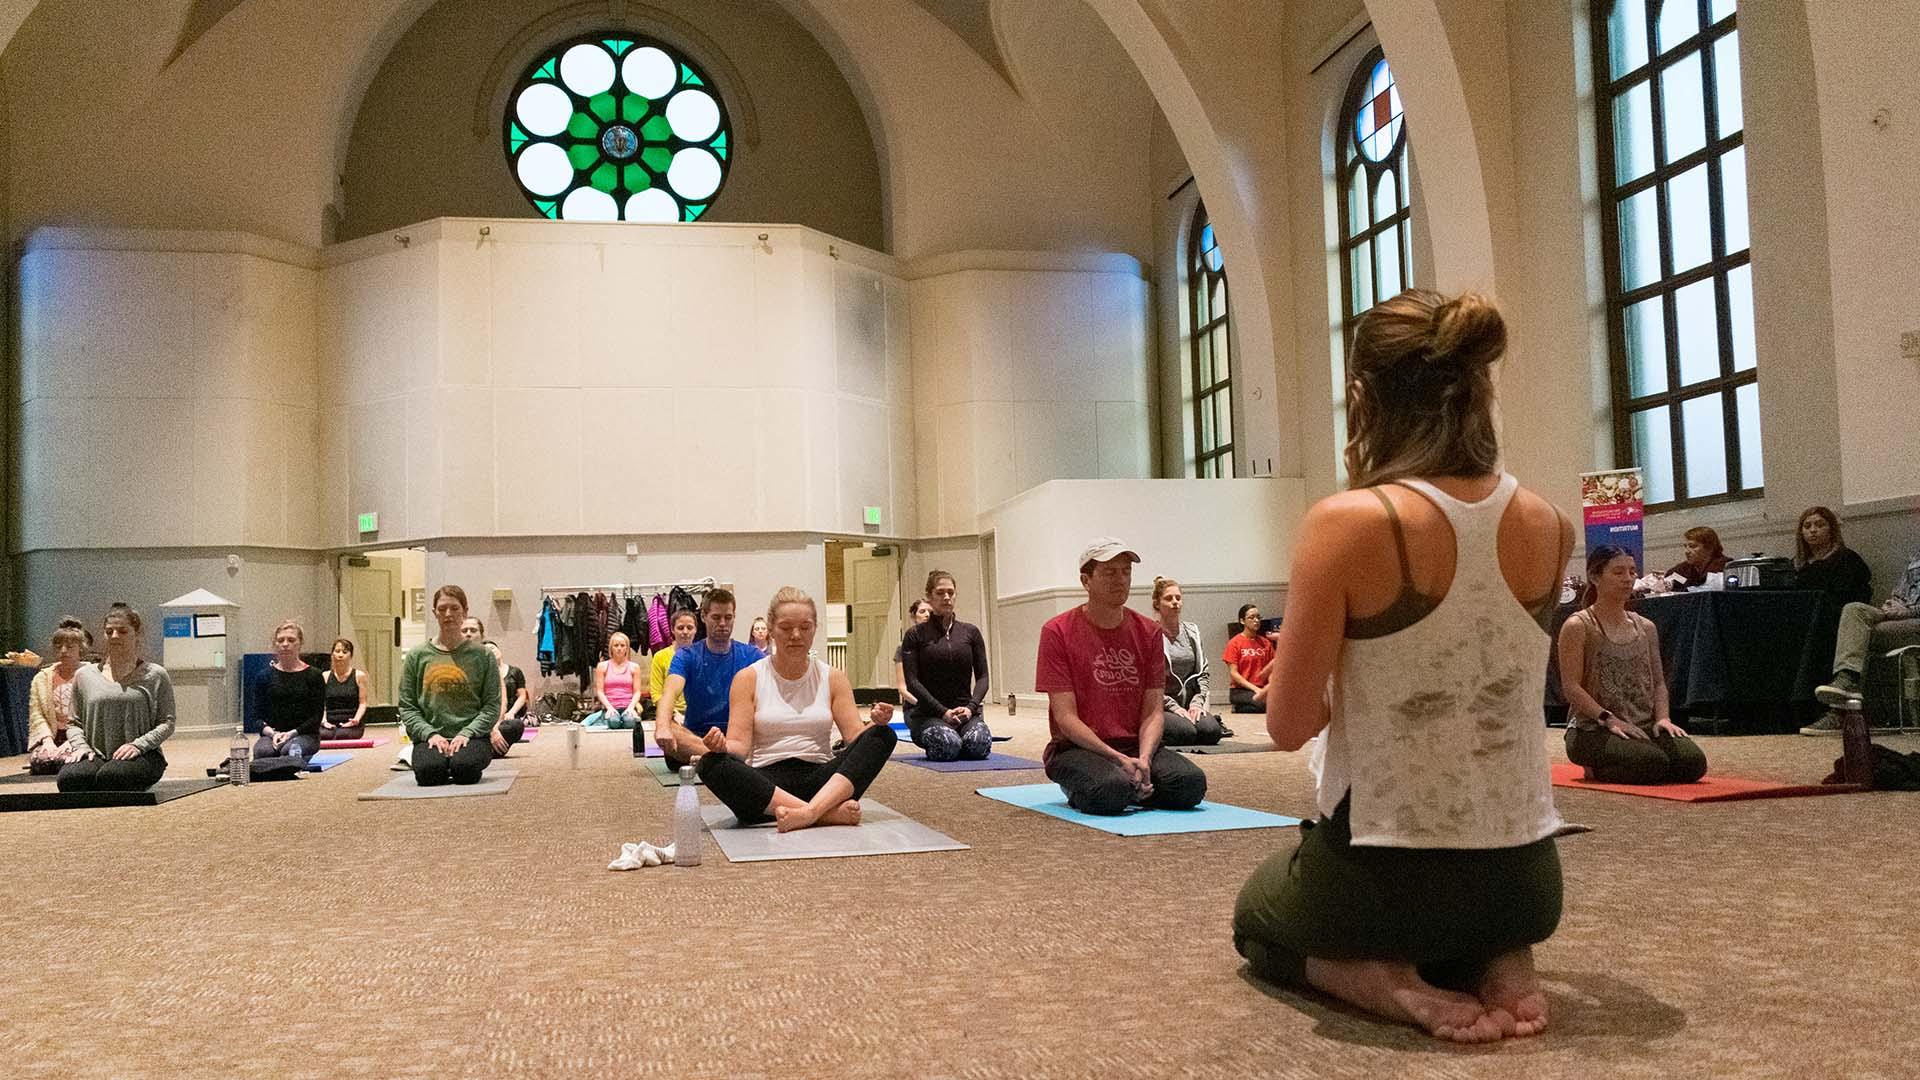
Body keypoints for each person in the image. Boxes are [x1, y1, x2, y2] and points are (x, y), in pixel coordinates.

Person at [1232, 291, 1570, 1044]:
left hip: (1383, 887)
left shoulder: (1348, 522)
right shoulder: (1550, 524)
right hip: (1527, 887)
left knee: (1257, 916)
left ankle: (1378, 978)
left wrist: (1343, 676)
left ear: (1364, 399)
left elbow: (1288, 726)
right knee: (1471, 902)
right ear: (1478, 389)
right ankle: (1505, 959)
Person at [697, 587, 897, 831]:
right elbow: (739, 746)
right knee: (710, 764)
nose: (796, 635)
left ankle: (809, 812)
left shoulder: (833, 677)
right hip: (766, 785)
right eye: (785, 627)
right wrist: (721, 746)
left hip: (824, 782)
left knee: (883, 735)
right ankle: (825, 815)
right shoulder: (748, 678)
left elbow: (854, 739)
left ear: (815, 629)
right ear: (770, 629)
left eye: (805, 627)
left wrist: (876, 723)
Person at [1035, 538, 1207, 815]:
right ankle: (1107, 786)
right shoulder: (1057, 632)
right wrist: (1115, 758)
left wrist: (1144, 759)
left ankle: (1133, 783)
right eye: (1109, 572)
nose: (1121, 580)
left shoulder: (1149, 632)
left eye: (1126, 571)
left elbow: (1153, 711)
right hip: (1077, 749)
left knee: (1190, 785)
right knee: (1110, 791)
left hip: (1135, 745)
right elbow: (1066, 719)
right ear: (1085, 580)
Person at [1558, 546, 1708, 783]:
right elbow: (1571, 687)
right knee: (1650, 764)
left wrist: (1663, 718)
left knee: (1692, 764)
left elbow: (1658, 682)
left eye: (1632, 572)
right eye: (1618, 572)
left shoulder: (1646, 627)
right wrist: (1609, 719)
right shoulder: (1578, 626)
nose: (1628, 579)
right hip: (1593, 728)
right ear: (1595, 577)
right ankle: (1593, 767)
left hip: (1642, 724)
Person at [57, 603, 177, 792]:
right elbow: (74, 723)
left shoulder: (155, 675)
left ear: (136, 634)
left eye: (122, 631)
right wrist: (81, 747)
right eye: (109, 631)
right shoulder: (84, 675)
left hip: (142, 753)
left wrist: (138, 746)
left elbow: (167, 723)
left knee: (113, 778)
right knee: (71, 780)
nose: (114, 636)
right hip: (95, 754)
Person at [1806, 545, 1920, 733]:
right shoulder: (1916, 553)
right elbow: (1901, 592)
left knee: (1857, 635)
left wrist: (1909, 611)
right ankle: (1847, 680)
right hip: (1899, 613)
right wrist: (1894, 603)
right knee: (1854, 610)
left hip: (1914, 617)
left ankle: (1839, 713)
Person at [397, 586, 500, 786]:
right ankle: (440, 761)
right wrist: (430, 734)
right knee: (429, 774)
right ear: (434, 612)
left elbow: (491, 706)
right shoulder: (416, 656)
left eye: (454, 608)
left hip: (473, 736)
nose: (448, 614)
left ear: (465, 611)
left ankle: (458, 761)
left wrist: (466, 733)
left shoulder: (483, 656)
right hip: (430, 736)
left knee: (465, 770)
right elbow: (408, 707)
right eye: (442, 608)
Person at [656, 588, 763, 771]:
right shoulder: (686, 656)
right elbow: (669, 692)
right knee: (670, 729)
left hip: (738, 737)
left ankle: (713, 761)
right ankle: (726, 762)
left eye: (728, 617)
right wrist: (662, 727)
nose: (723, 623)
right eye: (716, 617)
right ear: (704, 616)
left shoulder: (751, 655)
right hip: (697, 736)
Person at [900, 571, 992, 761]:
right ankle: (953, 739)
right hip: (928, 714)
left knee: (979, 745)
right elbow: (912, 682)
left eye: (951, 592)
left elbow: (983, 677)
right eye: (940, 593)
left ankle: (962, 738)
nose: (947, 597)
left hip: (966, 712)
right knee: (948, 746)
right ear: (929, 597)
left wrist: (971, 708)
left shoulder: (971, 632)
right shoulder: (914, 635)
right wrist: (943, 712)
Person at [1151, 577, 1223, 746]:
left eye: (1178, 598)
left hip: (1190, 703)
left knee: (1211, 732)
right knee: (1185, 733)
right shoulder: (1150, 634)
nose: (1175, 602)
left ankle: (1191, 719)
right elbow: (1150, 683)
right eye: (1168, 598)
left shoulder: (1192, 632)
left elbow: (1203, 672)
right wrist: (1175, 708)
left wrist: (1197, 703)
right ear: (1157, 604)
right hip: (1164, 704)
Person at [255, 619, 326, 767]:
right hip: (273, 734)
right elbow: (257, 716)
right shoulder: (263, 676)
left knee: (289, 750)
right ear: (275, 644)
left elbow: (316, 717)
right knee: (263, 752)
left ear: (300, 643)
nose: (285, 644)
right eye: (281, 640)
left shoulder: (314, 675)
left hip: (304, 734)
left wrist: (291, 733)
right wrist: (273, 734)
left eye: (291, 640)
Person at [27, 619, 88, 774]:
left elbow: (96, 714)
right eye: (59, 646)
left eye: (69, 647)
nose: (63, 651)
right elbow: (37, 714)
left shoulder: (92, 674)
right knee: (41, 762)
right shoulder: (42, 678)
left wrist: (73, 741)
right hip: (54, 735)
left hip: (82, 734)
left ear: (80, 648)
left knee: (65, 761)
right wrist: (47, 741)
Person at [1792, 506, 1872, 606]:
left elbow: (1859, 596)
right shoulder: (1797, 563)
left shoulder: (1847, 558)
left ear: (1832, 529)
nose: (1813, 530)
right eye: (1807, 526)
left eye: (1820, 525)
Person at [1223, 604, 1278, 713]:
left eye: (1258, 617)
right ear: (1242, 621)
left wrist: (1271, 687)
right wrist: (1255, 689)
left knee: (1278, 703)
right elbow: (1234, 674)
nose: (1256, 620)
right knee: (1263, 704)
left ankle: (1243, 707)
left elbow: (1272, 669)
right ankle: (1240, 706)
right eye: (1251, 617)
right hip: (1240, 690)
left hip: (1262, 688)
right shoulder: (1234, 643)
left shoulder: (1265, 643)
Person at [583, 632, 644, 728]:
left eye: (622, 645)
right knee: (614, 723)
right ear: (611, 648)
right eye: (616, 645)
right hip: (610, 706)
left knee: (630, 723)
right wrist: (609, 708)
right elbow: (599, 691)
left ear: (627, 648)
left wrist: (631, 707)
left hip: (628, 706)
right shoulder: (602, 666)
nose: (619, 648)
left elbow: (637, 692)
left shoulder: (634, 667)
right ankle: (603, 717)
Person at [319, 638, 370, 741]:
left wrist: (356, 719)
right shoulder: (325, 676)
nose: (340, 655)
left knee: (342, 735)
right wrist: (324, 721)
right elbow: (320, 704)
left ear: (351, 655)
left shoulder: (359, 675)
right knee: (324, 734)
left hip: (351, 723)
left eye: (345, 652)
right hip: (329, 722)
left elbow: (363, 703)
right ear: (332, 654)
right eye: (337, 651)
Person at [483, 641, 527, 757]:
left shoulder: (515, 671)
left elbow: (522, 696)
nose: (491, 651)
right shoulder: (484, 674)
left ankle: (492, 748)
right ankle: (489, 750)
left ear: (499, 650)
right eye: (487, 650)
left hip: (509, 715)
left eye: (493, 648)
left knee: (515, 726)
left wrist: (511, 712)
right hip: (489, 718)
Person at [650, 609, 699, 713]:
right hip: (670, 714)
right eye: (680, 628)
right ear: (672, 629)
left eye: (689, 628)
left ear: (696, 630)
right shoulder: (660, 657)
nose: (685, 632)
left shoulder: (703, 656)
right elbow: (656, 694)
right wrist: (673, 713)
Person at [894, 599, 933, 708]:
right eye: (922, 611)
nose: (927, 615)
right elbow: (902, 689)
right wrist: (926, 706)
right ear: (913, 617)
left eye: (931, 612)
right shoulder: (903, 648)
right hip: (917, 705)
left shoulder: (944, 644)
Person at [1662, 526, 1727, 591]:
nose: (1687, 551)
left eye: (1692, 546)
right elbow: (1673, 576)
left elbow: (1708, 589)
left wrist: (1684, 586)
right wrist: (1667, 581)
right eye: (1685, 546)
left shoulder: (1724, 567)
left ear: (1709, 548)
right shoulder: (1685, 568)